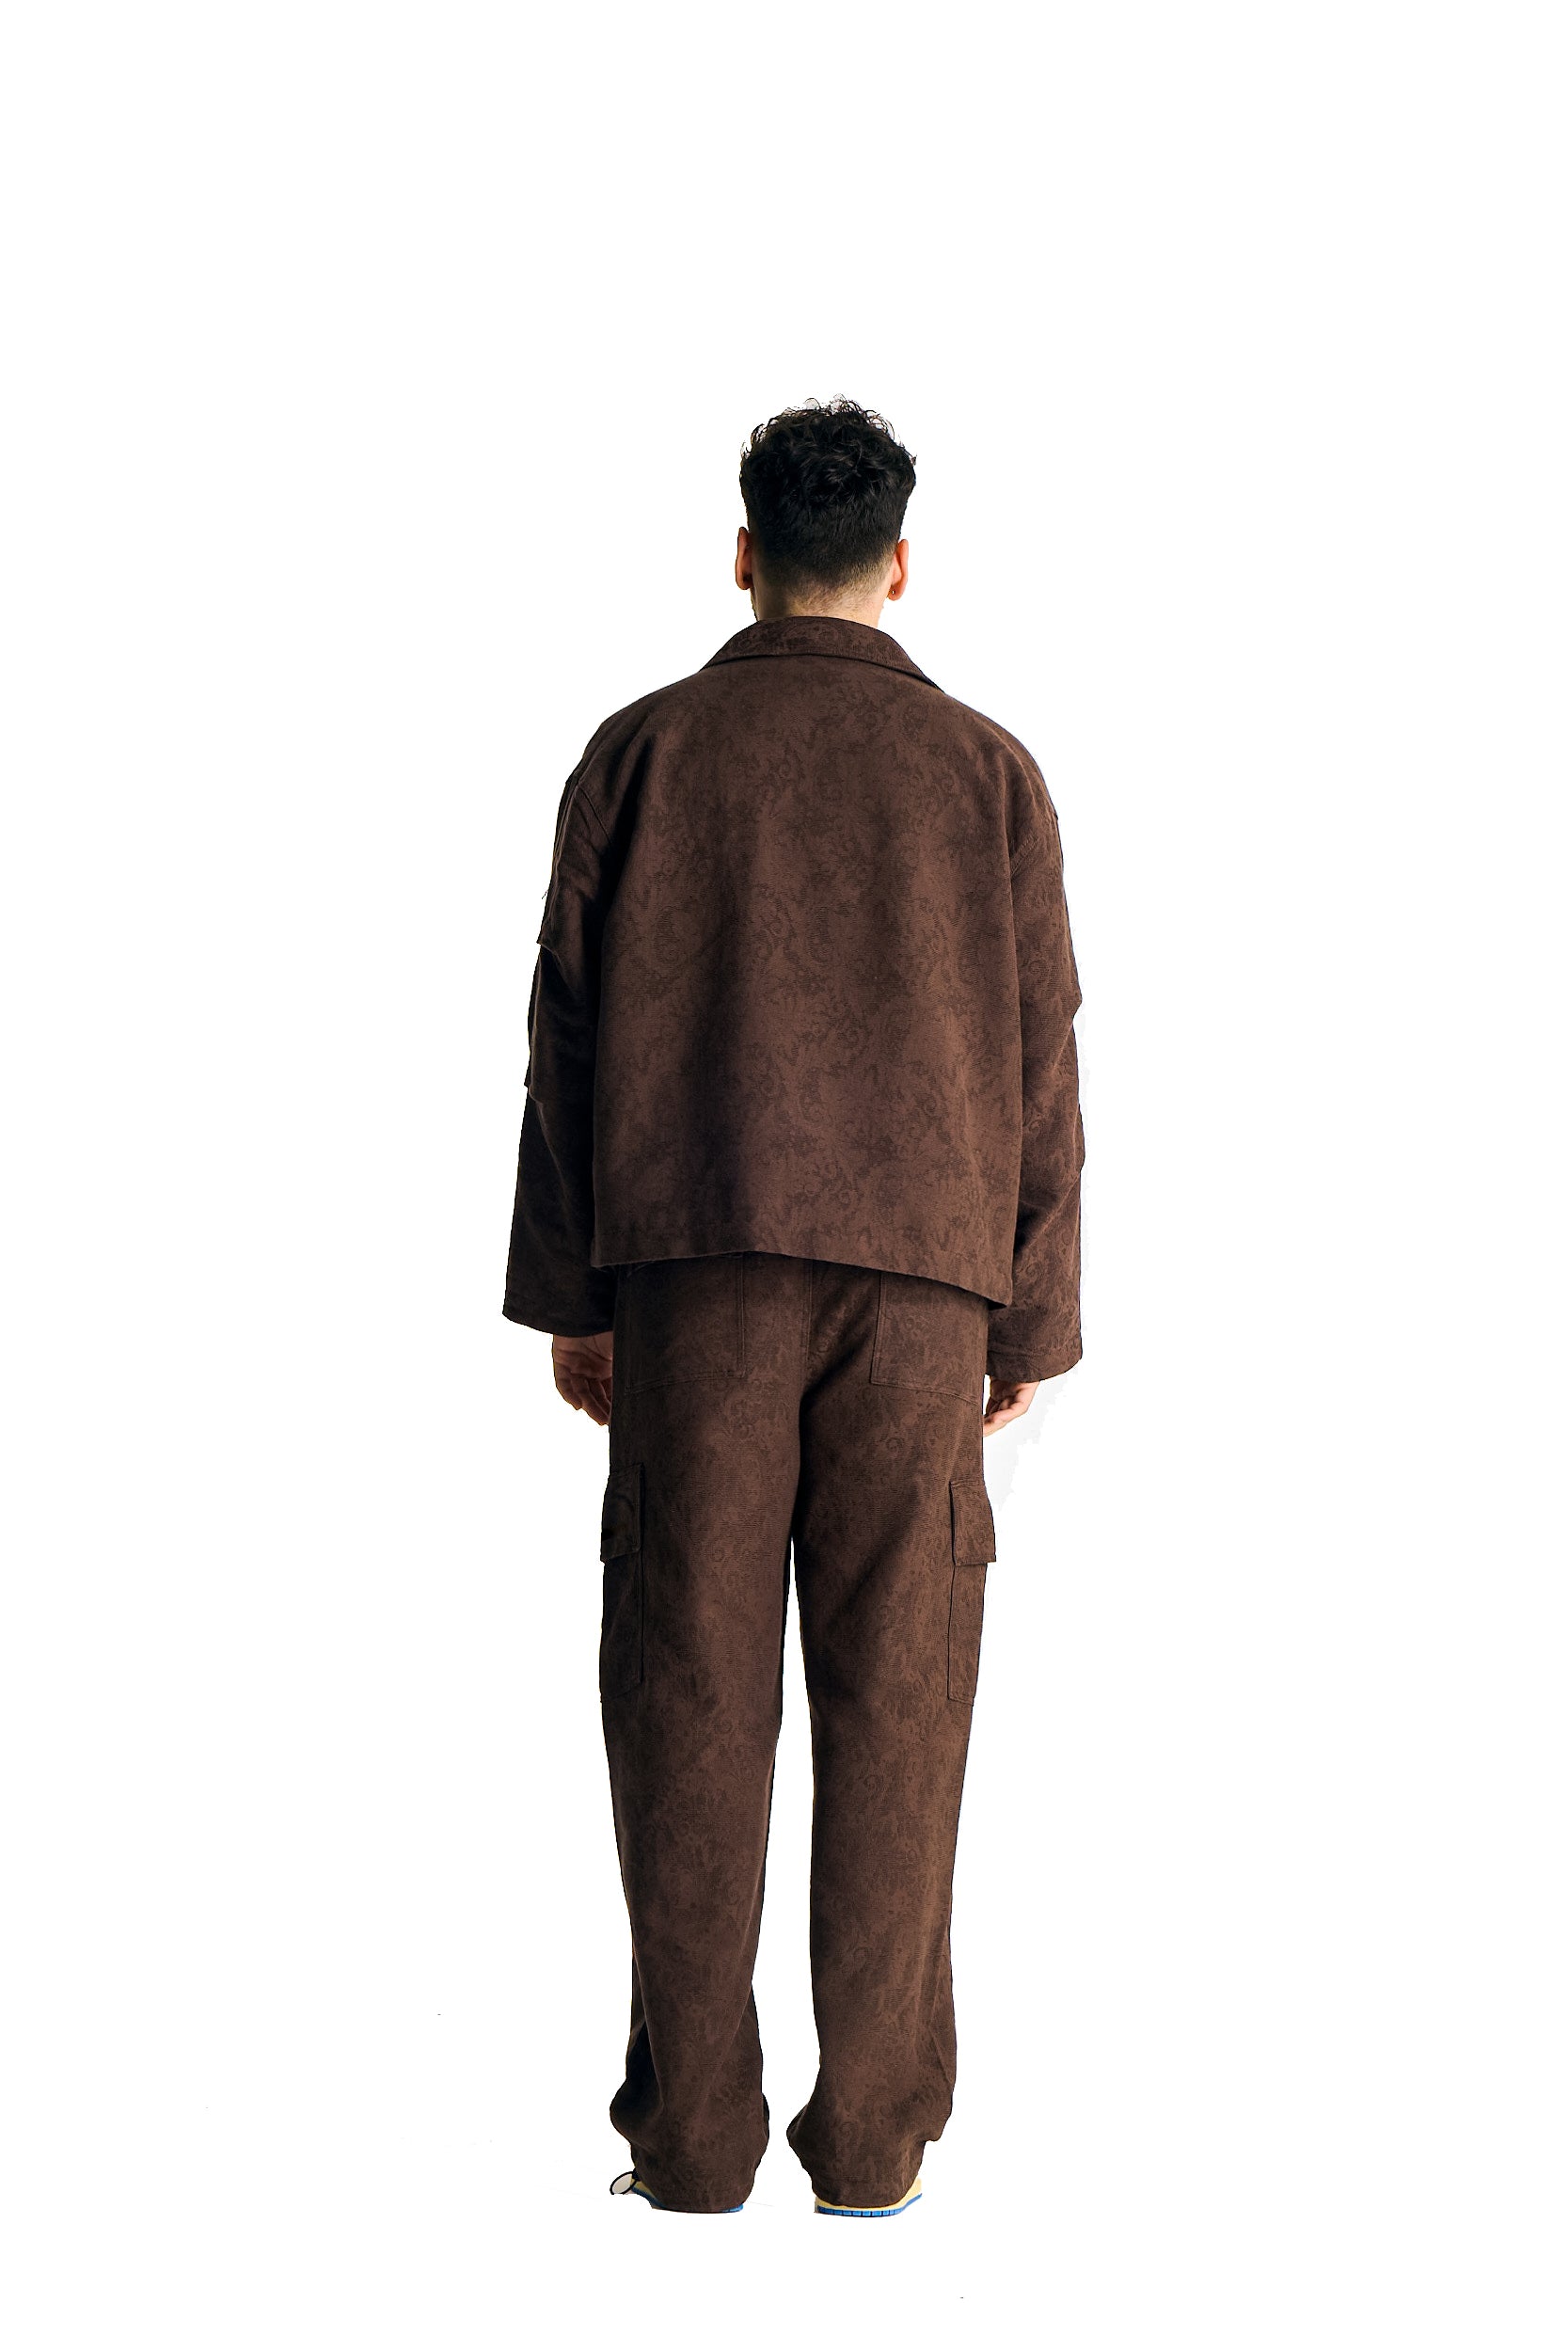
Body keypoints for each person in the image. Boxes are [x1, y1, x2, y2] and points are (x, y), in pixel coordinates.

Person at [502, 398, 1085, 2217]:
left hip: (693, 1275)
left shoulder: (642, 752)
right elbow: (1042, 1060)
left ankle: (690, 2145)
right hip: (924, 1286)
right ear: (899, 566)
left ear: (743, 553)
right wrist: (1029, 1317)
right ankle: (875, 2144)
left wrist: (574, 1297)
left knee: (687, 1687)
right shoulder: (990, 773)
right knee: (903, 1701)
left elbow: (566, 1041)